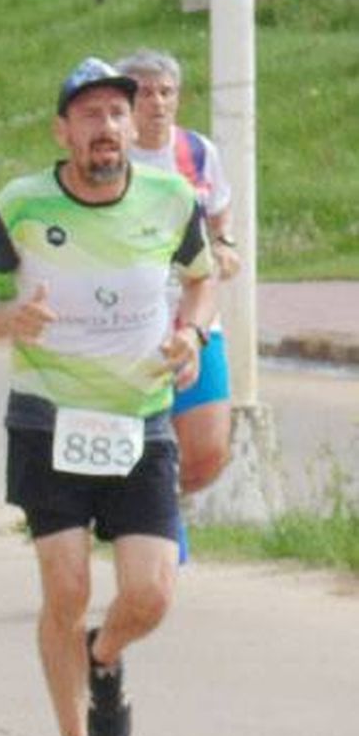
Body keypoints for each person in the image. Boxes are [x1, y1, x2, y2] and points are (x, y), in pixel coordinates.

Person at [0, 57, 216, 736]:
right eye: (89, 115)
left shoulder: (170, 198)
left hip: (141, 422)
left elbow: (202, 274)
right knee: (66, 587)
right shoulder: (21, 205)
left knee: (152, 595)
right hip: (47, 420)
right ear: (63, 130)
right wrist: (9, 319)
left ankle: (105, 656)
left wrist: (192, 334)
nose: (107, 127)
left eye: (117, 113)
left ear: (134, 127)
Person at [117, 49, 239, 497]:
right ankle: (140, 521)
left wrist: (224, 245)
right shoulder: (111, 157)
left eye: (166, 92)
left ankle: (159, 508)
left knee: (208, 453)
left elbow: (219, 210)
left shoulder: (196, 151)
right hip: (125, 319)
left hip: (195, 315)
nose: (157, 103)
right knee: (131, 440)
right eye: (145, 93)